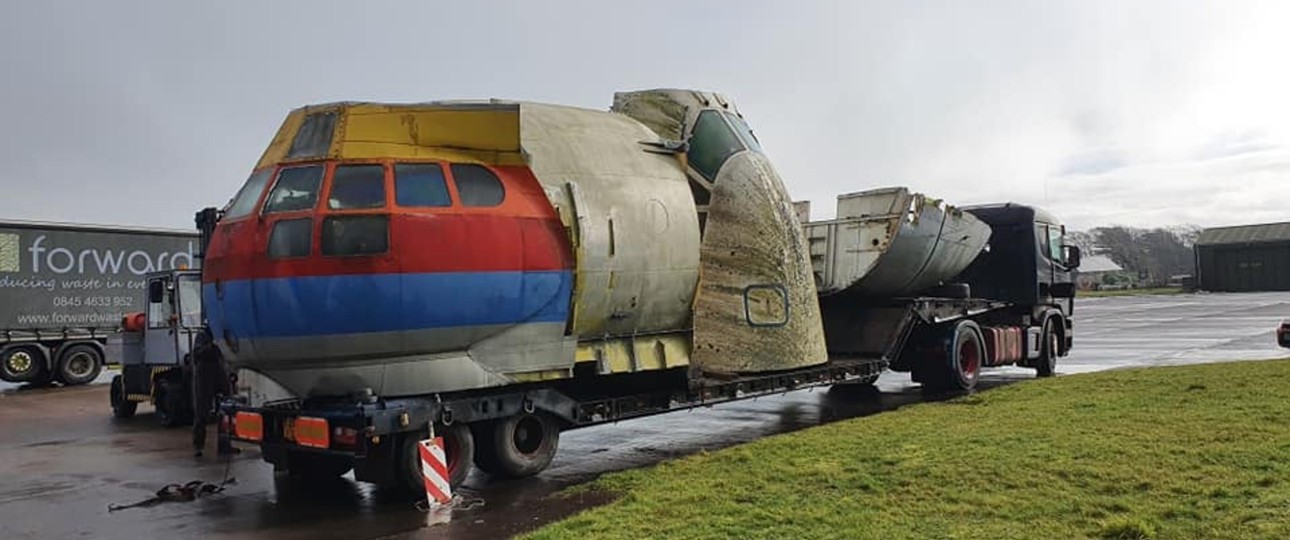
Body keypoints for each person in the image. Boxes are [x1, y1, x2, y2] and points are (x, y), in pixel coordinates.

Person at [191, 328, 236, 457]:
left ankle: (225, 446)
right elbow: (197, 353)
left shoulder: (222, 334)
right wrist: (213, 346)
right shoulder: (203, 335)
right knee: (201, 412)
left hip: (219, 373)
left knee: (226, 410)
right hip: (204, 376)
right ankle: (198, 446)